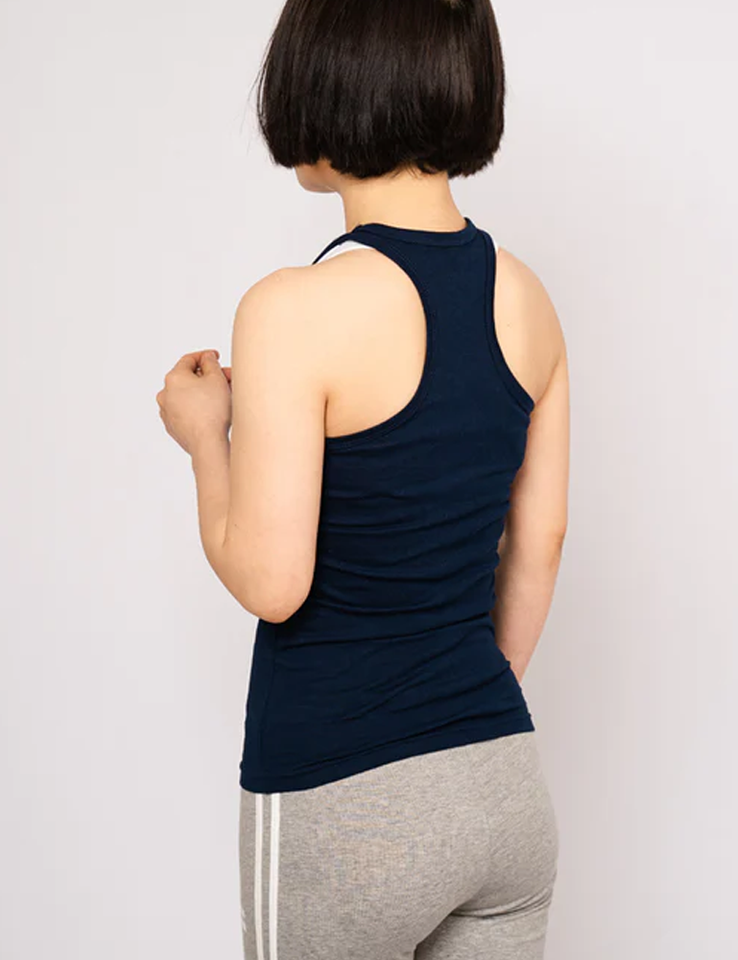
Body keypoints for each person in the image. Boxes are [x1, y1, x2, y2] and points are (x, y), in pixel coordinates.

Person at [156, 1, 570, 957]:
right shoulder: (527, 297)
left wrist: (206, 439)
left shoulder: (293, 308)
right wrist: (462, 712)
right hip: (501, 783)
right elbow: (541, 540)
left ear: (329, 84)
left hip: (342, 798)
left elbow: (273, 582)